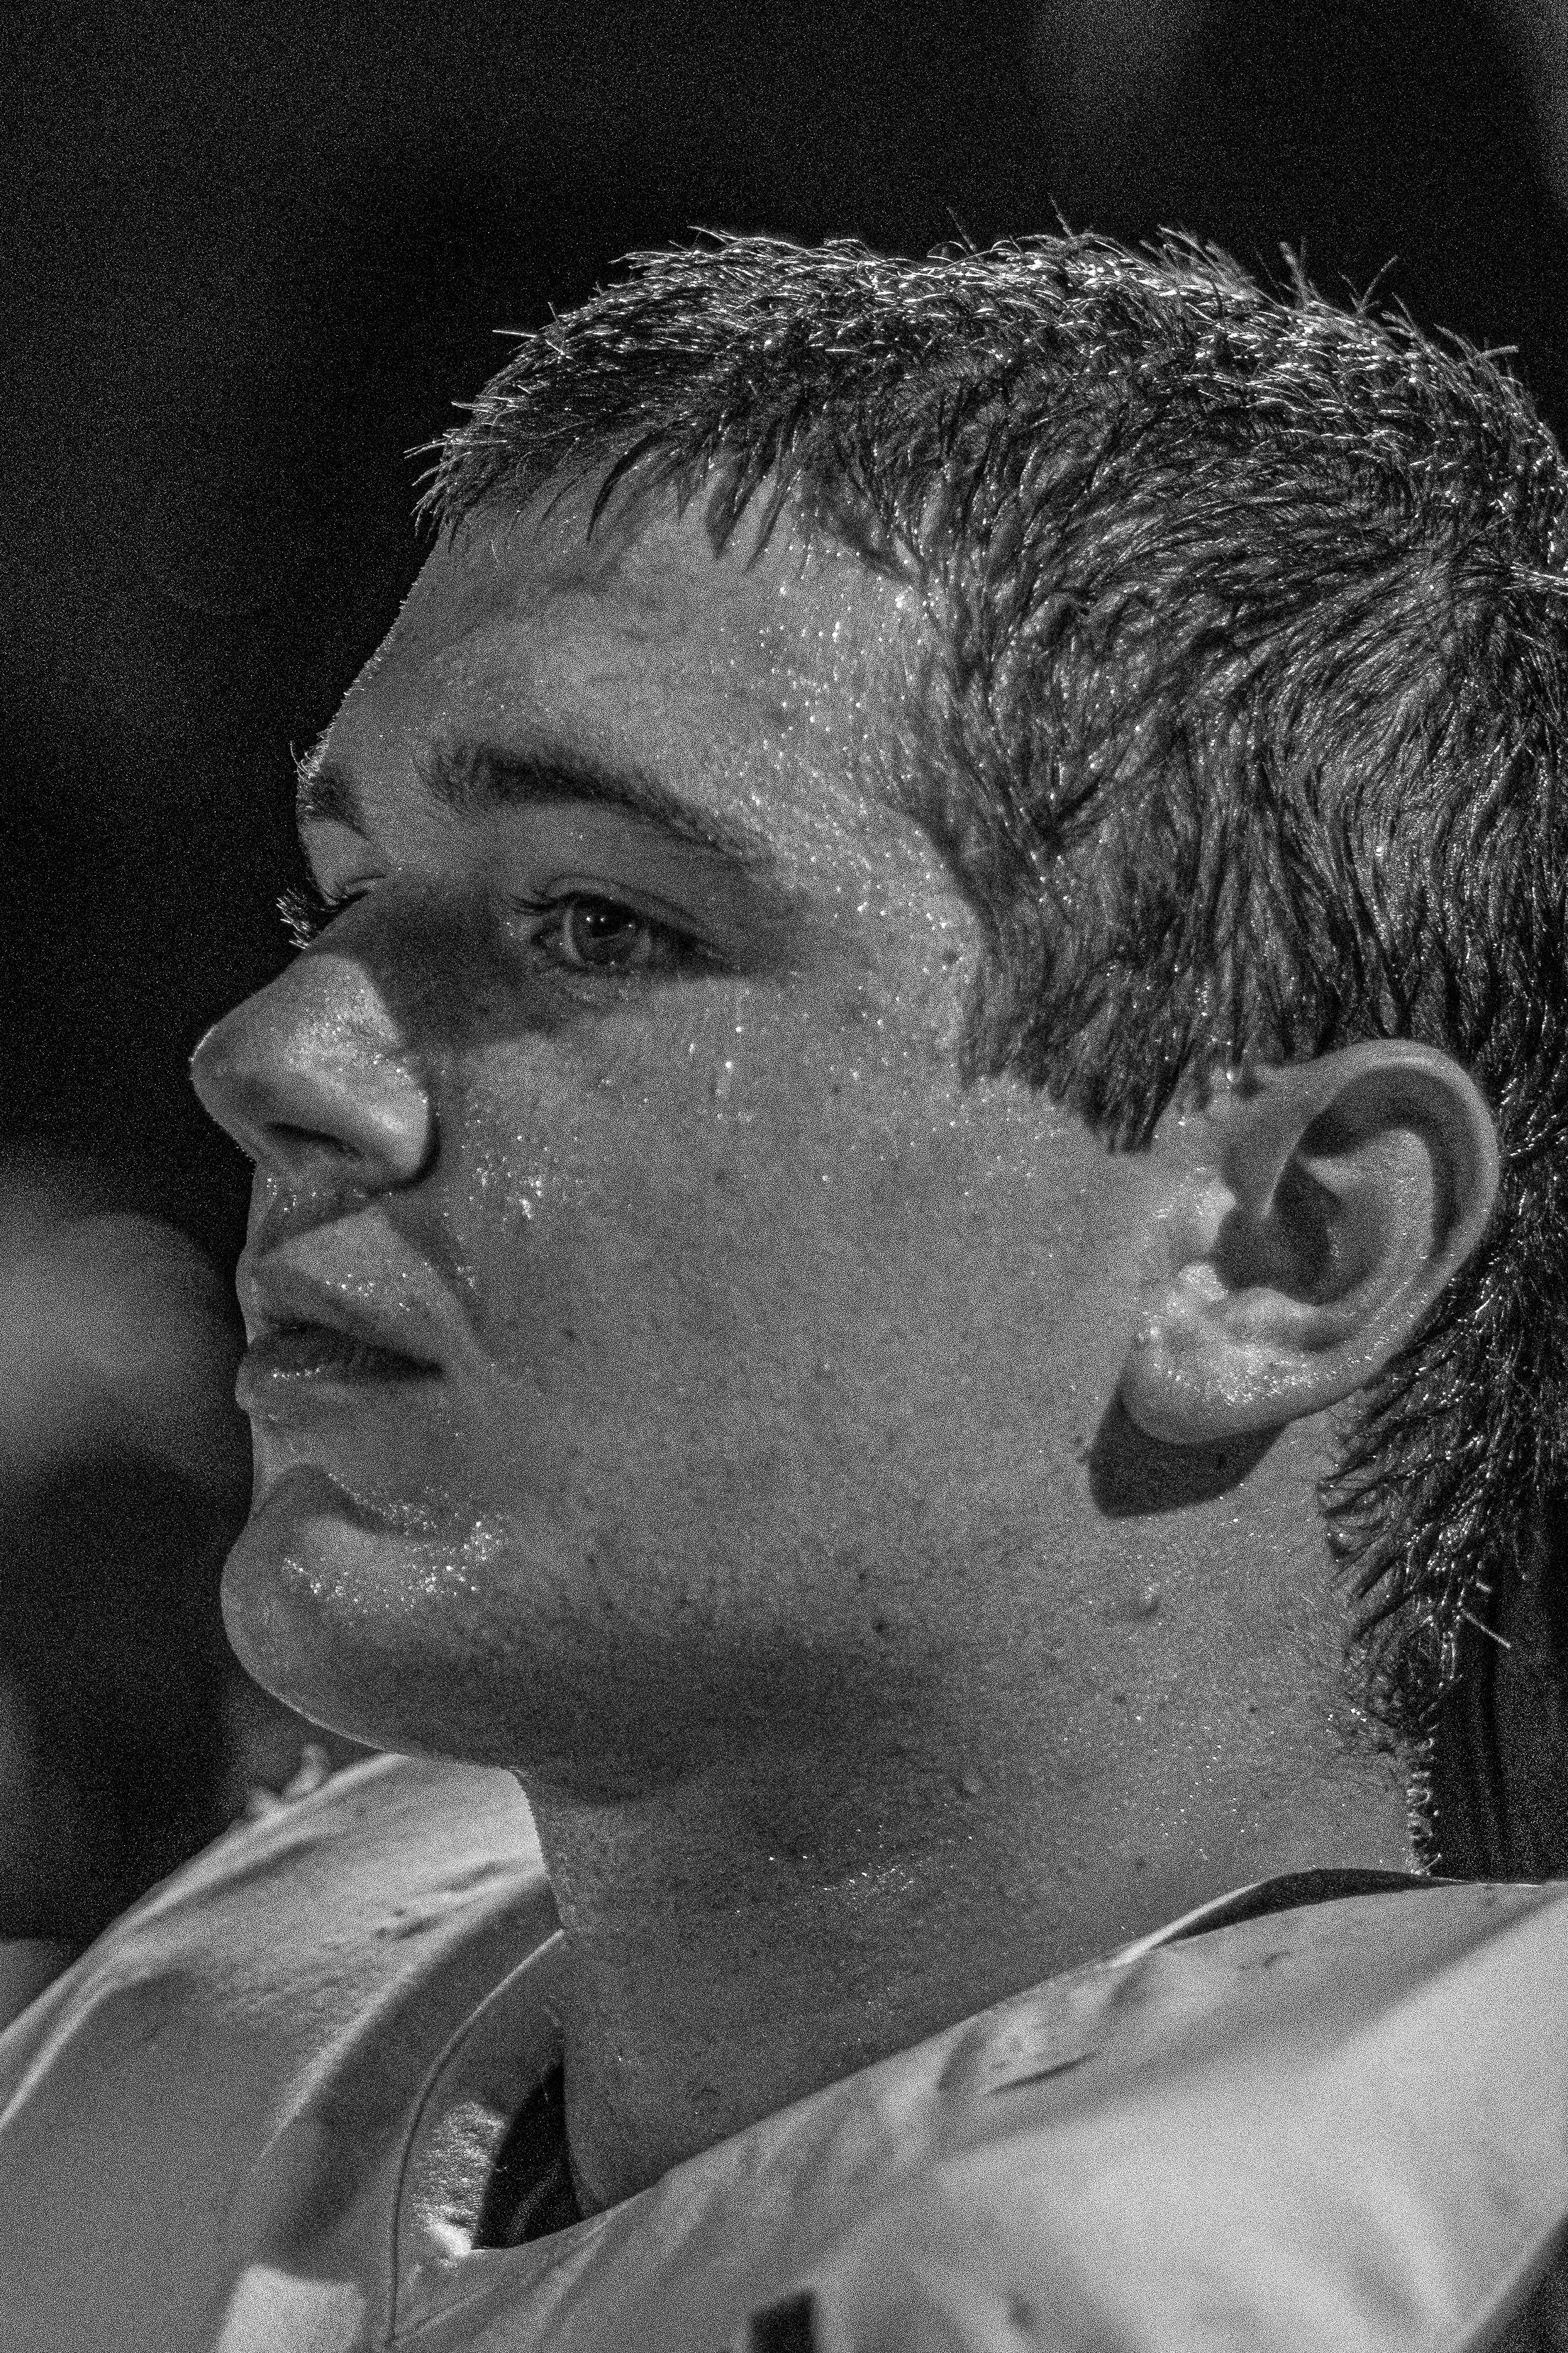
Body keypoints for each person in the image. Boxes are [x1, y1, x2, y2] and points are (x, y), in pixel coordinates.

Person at [3, 230, 1567, 2350]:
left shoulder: (1436, 2231)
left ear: (1281, 1244)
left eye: (596, 922)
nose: (278, 1056)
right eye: (345, 891)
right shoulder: (200, 2039)